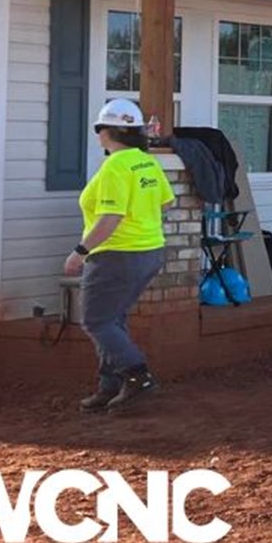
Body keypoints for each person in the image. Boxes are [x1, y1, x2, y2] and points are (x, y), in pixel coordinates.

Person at [66, 98, 175, 413]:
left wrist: (80, 252)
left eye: (99, 129)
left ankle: (138, 376)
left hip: (116, 255)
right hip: (149, 251)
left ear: (108, 131)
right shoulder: (146, 161)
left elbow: (110, 218)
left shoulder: (115, 166)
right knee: (113, 319)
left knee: (96, 321)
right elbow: (165, 203)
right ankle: (110, 386)